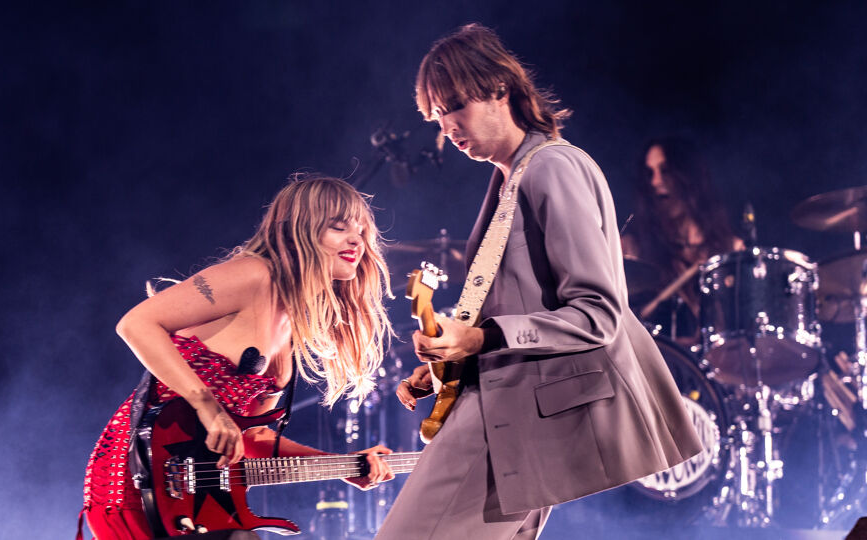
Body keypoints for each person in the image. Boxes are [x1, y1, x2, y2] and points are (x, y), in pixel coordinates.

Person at [382, 24, 703, 539]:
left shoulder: (551, 168)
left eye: (455, 107)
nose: (448, 128)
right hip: (510, 418)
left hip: (512, 419)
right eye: (437, 117)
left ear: (499, 89)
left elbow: (598, 312)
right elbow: (519, 304)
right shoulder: (513, 175)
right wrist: (455, 361)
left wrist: (483, 339)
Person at [82, 175, 397, 540]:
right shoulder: (253, 275)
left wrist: (341, 466)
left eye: (362, 229)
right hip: (140, 479)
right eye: (339, 227)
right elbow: (136, 323)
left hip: (197, 498)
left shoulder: (289, 326)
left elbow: (255, 437)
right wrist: (207, 406)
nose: (356, 239)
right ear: (297, 232)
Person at [620, 137, 744, 341]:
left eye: (665, 171)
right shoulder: (633, 248)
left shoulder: (731, 250)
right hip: (655, 364)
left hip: (714, 367)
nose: (655, 181)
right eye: (650, 173)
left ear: (689, 178)